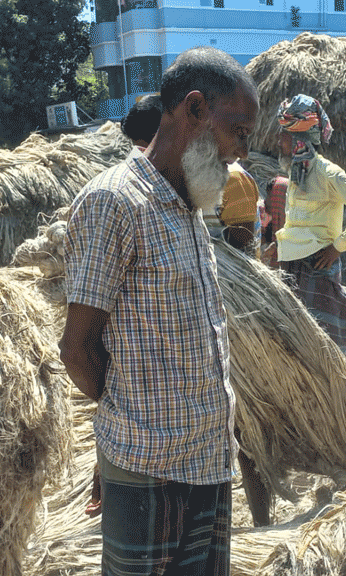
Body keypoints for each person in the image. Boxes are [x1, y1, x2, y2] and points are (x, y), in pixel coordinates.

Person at [59, 46, 258, 575]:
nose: (243, 149)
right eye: (237, 130)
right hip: (148, 467)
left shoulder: (188, 205)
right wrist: (124, 424)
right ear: (194, 109)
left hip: (209, 461)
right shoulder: (115, 202)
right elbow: (76, 347)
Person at [268, 94, 346, 352]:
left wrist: (338, 247)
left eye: (283, 134)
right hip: (292, 266)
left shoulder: (328, 173)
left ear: (299, 138)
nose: (278, 140)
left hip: (317, 268)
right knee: (294, 347)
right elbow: (298, 223)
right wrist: (280, 245)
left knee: (323, 348)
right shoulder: (295, 173)